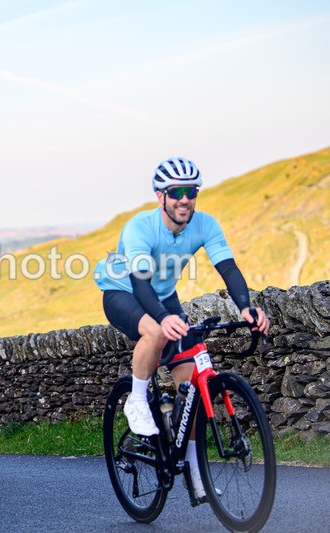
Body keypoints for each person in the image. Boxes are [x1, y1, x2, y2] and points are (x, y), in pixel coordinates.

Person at [93, 157, 270, 500]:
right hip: (123, 291)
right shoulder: (140, 227)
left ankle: (194, 472)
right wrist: (163, 317)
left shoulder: (205, 224)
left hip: (162, 296)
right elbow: (140, 282)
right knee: (157, 332)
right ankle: (137, 400)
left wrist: (246, 307)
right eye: (176, 193)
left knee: (191, 388)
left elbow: (228, 268)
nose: (184, 199)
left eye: (191, 192)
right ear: (160, 196)